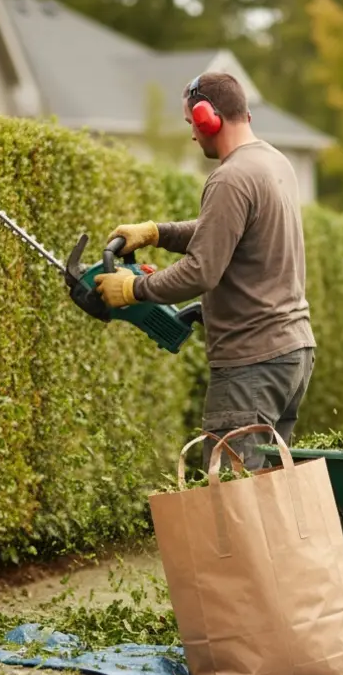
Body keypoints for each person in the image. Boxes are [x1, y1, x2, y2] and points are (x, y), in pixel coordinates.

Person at [94, 71, 315, 471]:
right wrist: (157, 233)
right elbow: (225, 232)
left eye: (190, 124)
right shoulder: (273, 161)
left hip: (252, 362)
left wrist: (132, 289)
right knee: (269, 491)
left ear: (206, 117)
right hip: (291, 354)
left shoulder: (230, 178)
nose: (193, 135)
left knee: (232, 496)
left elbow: (201, 271)